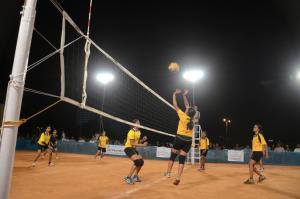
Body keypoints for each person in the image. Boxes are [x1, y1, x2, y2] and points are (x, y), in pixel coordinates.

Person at [164, 89, 196, 185]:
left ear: (187, 112)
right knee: (182, 160)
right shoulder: (193, 120)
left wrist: (174, 94)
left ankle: (168, 173)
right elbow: (188, 106)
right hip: (188, 141)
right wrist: (184, 95)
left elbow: (175, 105)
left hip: (180, 138)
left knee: (173, 156)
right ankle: (178, 177)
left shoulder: (183, 116)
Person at [123, 119, 148, 185]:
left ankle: (135, 176)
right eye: (138, 123)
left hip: (133, 148)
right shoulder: (131, 132)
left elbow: (137, 142)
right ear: (134, 124)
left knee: (141, 162)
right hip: (128, 148)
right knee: (137, 162)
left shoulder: (139, 132)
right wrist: (143, 145)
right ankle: (128, 177)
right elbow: (132, 143)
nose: (139, 124)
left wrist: (142, 140)